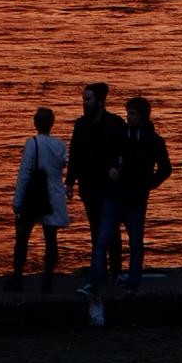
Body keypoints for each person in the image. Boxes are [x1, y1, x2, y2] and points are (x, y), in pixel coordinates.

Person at [78, 96, 171, 296]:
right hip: (114, 197)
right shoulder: (119, 135)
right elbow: (105, 155)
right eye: (127, 113)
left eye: (132, 114)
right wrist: (109, 168)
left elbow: (165, 169)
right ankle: (93, 282)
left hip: (136, 202)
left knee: (135, 245)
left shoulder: (154, 142)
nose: (128, 117)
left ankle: (132, 283)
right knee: (102, 241)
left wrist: (148, 185)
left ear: (144, 117)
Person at [66, 82, 125, 281]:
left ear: (99, 102)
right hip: (89, 186)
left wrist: (117, 170)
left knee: (112, 230)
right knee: (95, 230)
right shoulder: (81, 125)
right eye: (84, 99)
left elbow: (124, 153)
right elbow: (74, 154)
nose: (84, 103)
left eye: (88, 99)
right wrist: (70, 182)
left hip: (109, 187)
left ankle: (116, 271)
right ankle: (100, 271)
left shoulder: (115, 124)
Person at [8, 107, 70, 293]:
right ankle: (47, 280)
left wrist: (17, 202)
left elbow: (25, 174)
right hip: (55, 194)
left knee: (22, 237)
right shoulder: (60, 145)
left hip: (35, 194)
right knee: (51, 240)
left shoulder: (33, 143)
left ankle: (17, 278)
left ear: (36, 123)